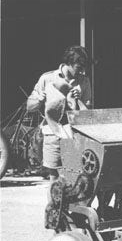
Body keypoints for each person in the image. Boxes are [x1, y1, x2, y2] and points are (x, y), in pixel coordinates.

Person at [27, 45, 92, 181]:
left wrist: (79, 100)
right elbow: (30, 107)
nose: (82, 71)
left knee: (76, 176)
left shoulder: (84, 81)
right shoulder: (47, 79)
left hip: (75, 136)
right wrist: (39, 99)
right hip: (52, 134)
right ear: (69, 63)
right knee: (54, 178)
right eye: (79, 67)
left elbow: (88, 115)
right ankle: (53, 203)